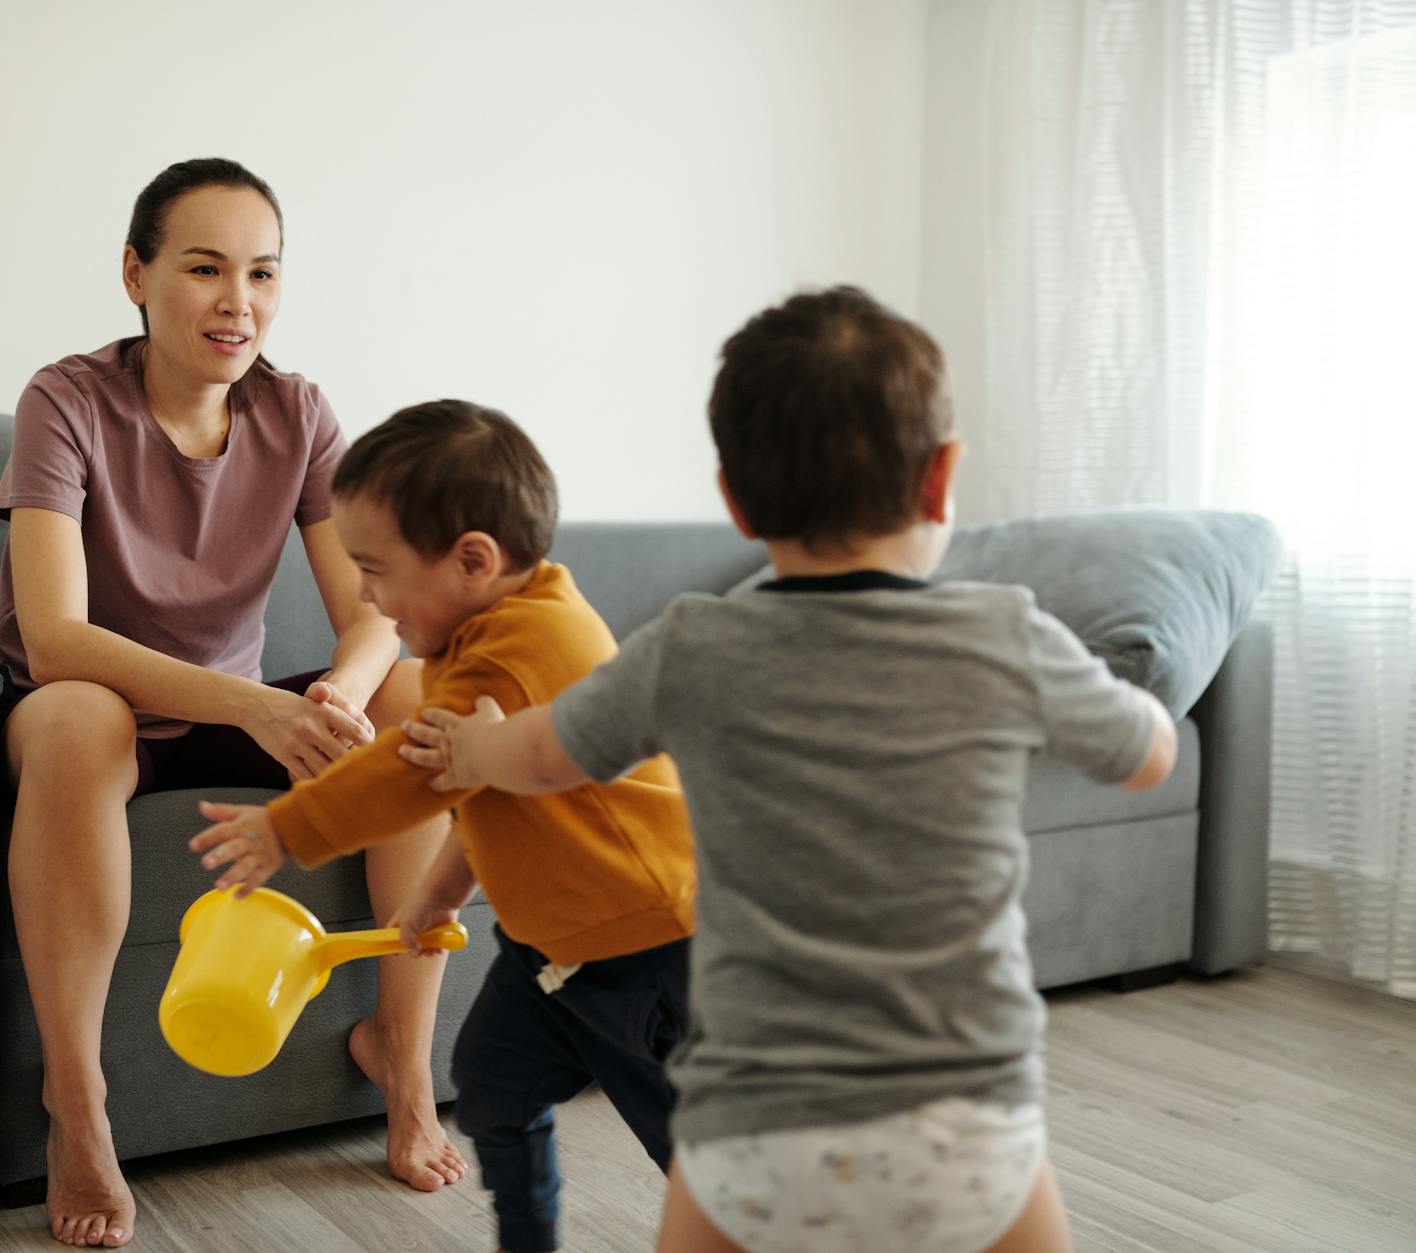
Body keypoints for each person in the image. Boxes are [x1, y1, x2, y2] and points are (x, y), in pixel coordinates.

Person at [397, 286, 1179, 1253]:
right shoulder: (1008, 633)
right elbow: (1148, 755)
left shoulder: (694, 646)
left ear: (734, 500)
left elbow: (548, 754)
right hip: (963, 1103)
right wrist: (1142, 716)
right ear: (941, 480)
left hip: (750, 1114)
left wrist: (472, 747)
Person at [0, 158, 464, 1251]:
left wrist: (338, 692)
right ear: (135, 274)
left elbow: (374, 607)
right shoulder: (64, 400)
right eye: (203, 267)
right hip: (91, 697)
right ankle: (78, 1102)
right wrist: (254, 705)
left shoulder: (296, 411)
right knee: (75, 714)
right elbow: (56, 635)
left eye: (260, 272)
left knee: (414, 695)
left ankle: (399, 1056)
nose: (235, 300)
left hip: (232, 700)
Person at [190, 400, 696, 1253]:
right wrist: (432, 897)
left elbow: (411, 773)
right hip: (551, 951)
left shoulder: (525, 642)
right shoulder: (479, 639)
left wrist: (289, 827)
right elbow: (485, 794)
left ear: (472, 559)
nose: (365, 597)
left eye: (377, 571)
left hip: (647, 947)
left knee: (694, 1149)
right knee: (492, 1083)